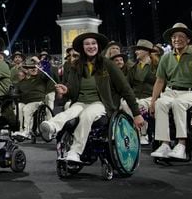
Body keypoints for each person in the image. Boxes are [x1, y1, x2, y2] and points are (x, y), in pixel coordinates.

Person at [39, 32, 143, 164]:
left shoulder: (108, 64)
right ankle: (52, 126)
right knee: (70, 112)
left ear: (98, 46)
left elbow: (125, 89)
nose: (91, 46)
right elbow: (71, 89)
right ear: (82, 47)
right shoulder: (75, 65)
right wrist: (66, 90)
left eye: (93, 43)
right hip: (81, 102)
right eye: (87, 44)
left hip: (101, 104)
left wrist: (136, 113)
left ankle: (75, 151)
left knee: (87, 115)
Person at [149, 23, 192, 159]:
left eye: (181, 36)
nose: (177, 39)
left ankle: (181, 144)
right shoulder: (165, 58)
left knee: (178, 104)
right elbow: (159, 81)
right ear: (171, 40)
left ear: (188, 40)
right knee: (160, 104)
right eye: (174, 37)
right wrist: (153, 100)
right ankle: (165, 144)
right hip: (171, 91)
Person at [126, 39, 159, 145]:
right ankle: (132, 132)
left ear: (146, 51)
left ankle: (142, 134)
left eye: (138, 50)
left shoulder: (156, 66)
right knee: (125, 104)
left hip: (151, 97)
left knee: (140, 105)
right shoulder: (133, 68)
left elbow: (162, 83)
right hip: (135, 96)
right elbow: (127, 84)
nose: (136, 52)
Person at [12, 56, 52, 139]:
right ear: (27, 70)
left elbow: (48, 69)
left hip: (38, 101)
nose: (34, 69)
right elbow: (16, 92)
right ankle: (19, 130)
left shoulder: (41, 77)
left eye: (35, 67)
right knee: (18, 108)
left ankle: (27, 131)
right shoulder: (23, 81)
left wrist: (39, 61)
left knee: (27, 108)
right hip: (25, 101)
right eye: (31, 68)